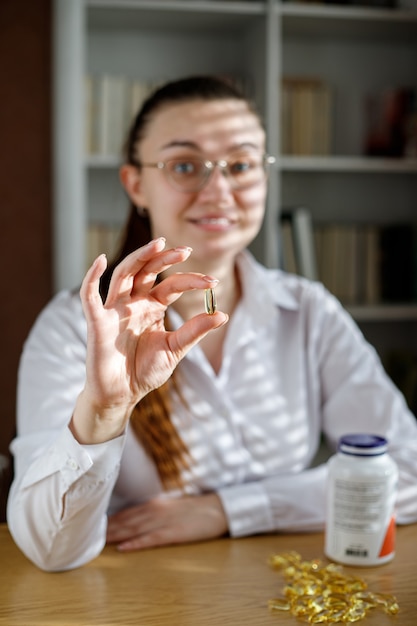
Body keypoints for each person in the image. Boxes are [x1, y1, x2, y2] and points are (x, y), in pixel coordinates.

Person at [7, 76, 417, 572]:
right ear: (136, 184)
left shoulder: (309, 312)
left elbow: (406, 469)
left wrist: (227, 510)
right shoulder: (72, 330)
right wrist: (105, 409)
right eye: (185, 166)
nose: (219, 190)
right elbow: (50, 550)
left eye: (241, 165)